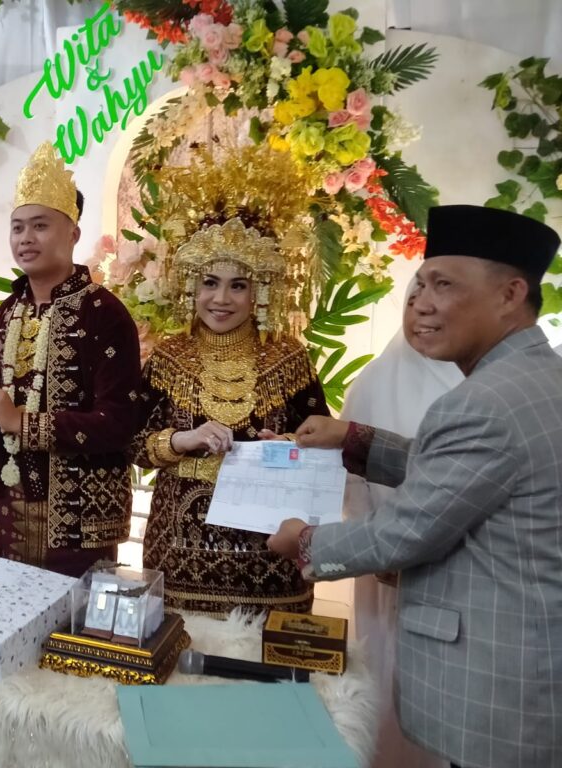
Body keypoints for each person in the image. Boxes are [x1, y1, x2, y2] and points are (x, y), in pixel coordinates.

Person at [268, 204, 562, 768]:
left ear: (510, 294)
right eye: (419, 285)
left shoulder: (482, 403)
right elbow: (463, 476)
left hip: (501, 677)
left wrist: (304, 542)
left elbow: (404, 531)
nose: (421, 304)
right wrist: (354, 440)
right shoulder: (534, 377)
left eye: (444, 285)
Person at [0, 143, 141, 577]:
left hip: (78, 517)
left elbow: (118, 421)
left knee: (72, 620)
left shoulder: (103, 312)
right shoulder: (9, 311)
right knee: (4, 609)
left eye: (40, 226)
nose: (25, 238)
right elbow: (12, 390)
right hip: (9, 505)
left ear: (73, 234)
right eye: (17, 228)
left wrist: (23, 423)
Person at [133, 215, 329, 616]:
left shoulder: (289, 357)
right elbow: (132, 443)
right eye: (210, 282)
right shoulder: (169, 357)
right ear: (192, 285)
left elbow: (324, 441)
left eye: (238, 285)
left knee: (263, 650)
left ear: (259, 291)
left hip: (270, 556)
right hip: (178, 553)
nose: (221, 298)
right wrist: (182, 440)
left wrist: (287, 446)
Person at [340, 280, 461, 768]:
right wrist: (374, 545)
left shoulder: (487, 390)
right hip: (385, 572)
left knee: (452, 701)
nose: (421, 313)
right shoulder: (374, 380)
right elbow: (351, 476)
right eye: (412, 300)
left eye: (436, 301)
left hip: (458, 576)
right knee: (387, 677)